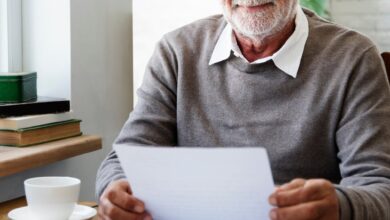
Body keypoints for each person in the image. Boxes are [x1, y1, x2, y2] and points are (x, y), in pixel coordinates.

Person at [96, 0, 390, 219]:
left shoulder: (354, 57)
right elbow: (122, 159)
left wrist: (340, 206)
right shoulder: (176, 51)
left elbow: (380, 187)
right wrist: (116, 189)